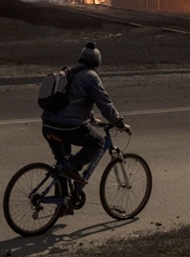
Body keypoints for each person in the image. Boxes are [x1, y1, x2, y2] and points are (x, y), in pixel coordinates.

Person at [41, 41, 131, 186]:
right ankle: (72, 167)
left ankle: (62, 205)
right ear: (96, 64)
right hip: (67, 127)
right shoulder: (91, 77)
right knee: (98, 142)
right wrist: (119, 123)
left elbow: (75, 102)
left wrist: (93, 120)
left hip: (48, 125)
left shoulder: (69, 72)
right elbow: (105, 103)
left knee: (62, 164)